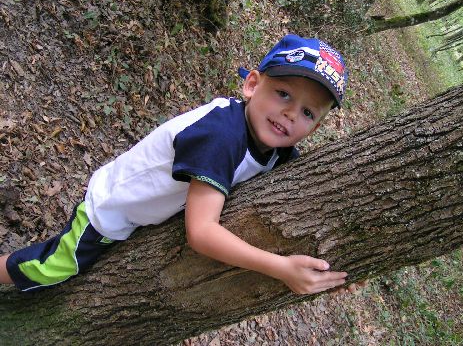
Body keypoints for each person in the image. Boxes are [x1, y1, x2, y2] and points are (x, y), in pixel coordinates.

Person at [0, 34, 362, 295]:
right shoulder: (221, 136)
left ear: (314, 127)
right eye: (283, 93)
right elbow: (201, 233)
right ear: (252, 84)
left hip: (152, 212)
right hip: (115, 209)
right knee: (49, 268)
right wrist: (280, 267)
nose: (290, 113)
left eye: (308, 112)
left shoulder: (278, 149)